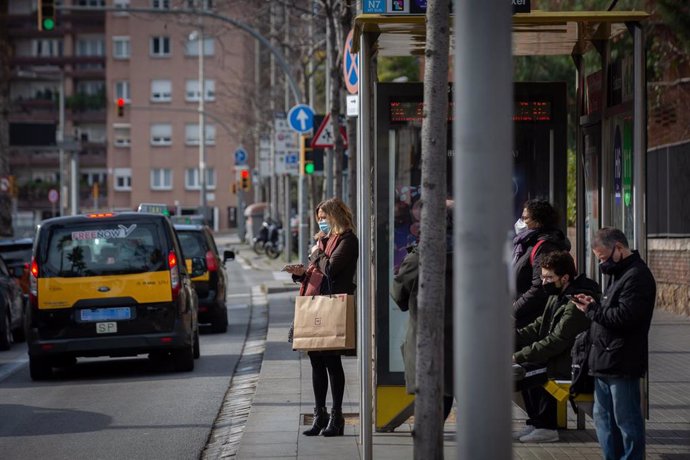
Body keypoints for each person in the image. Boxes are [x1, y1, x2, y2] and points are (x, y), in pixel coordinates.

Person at [572, 227, 656, 459]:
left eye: (603, 257)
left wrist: (591, 310)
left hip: (622, 360)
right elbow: (610, 311)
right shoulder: (620, 274)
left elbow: (624, 317)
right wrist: (594, 305)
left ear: (619, 248)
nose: (603, 264)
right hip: (604, 360)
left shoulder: (637, 276)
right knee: (605, 419)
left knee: (626, 420)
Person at [285, 197, 358, 437]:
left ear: (336, 216)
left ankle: (337, 417)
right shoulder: (323, 241)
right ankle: (320, 415)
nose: (321, 222)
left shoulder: (347, 240)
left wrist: (317, 254)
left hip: (332, 305)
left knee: (332, 363)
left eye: (324, 218)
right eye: (319, 219)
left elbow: (331, 270)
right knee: (315, 360)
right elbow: (315, 273)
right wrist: (300, 274)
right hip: (315, 302)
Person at [512, 251, 599, 443]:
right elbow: (539, 325)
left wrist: (518, 356)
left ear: (565, 277)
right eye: (543, 277)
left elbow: (558, 340)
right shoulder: (558, 294)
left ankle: (547, 427)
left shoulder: (576, 300)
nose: (544, 282)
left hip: (570, 363)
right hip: (557, 358)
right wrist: (512, 336)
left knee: (523, 372)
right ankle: (537, 422)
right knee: (522, 369)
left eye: (549, 277)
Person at [390, 202, 455, 422]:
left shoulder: (421, 256)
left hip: (427, 333)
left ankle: (429, 431)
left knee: (430, 385)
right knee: (451, 384)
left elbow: (399, 291)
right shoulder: (474, 253)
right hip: (463, 335)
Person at [512, 199, 571, 329]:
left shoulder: (544, 247)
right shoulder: (528, 243)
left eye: (525, 218)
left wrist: (514, 310)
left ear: (538, 222)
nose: (520, 222)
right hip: (523, 314)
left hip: (531, 318)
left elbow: (538, 287)